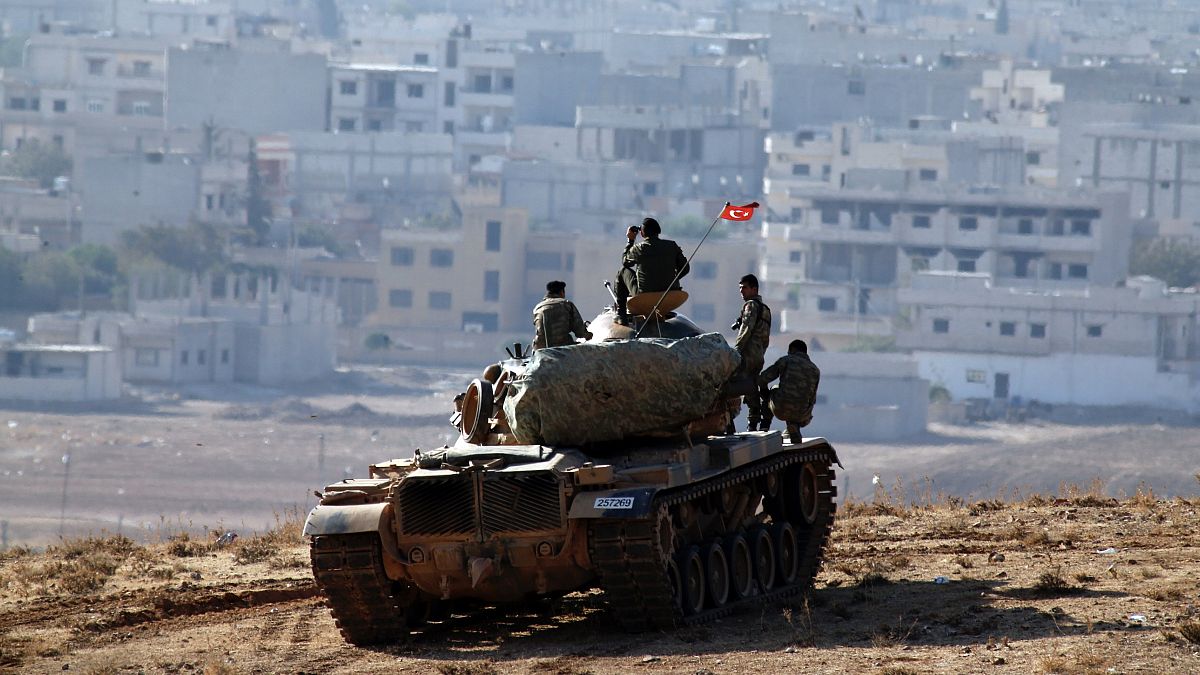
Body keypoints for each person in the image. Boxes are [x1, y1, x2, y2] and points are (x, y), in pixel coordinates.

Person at [614, 217, 689, 323]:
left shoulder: (639, 248)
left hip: (644, 296)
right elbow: (685, 268)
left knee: (622, 271)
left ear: (642, 233)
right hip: (670, 293)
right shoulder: (672, 246)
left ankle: (621, 315)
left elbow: (626, 262)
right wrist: (673, 279)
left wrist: (630, 240)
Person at [758, 339, 821, 440]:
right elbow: (812, 398)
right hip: (802, 415)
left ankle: (764, 426)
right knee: (800, 399)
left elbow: (763, 379)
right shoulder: (815, 370)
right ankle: (794, 427)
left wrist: (764, 393)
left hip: (780, 408)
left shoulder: (786, 360)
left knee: (774, 389)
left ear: (792, 350)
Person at [731, 273, 771, 431]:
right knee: (752, 385)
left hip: (748, 353)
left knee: (736, 383)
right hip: (759, 354)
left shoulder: (751, 305)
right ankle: (756, 420)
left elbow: (746, 329)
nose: (742, 291)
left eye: (745, 288)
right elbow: (765, 337)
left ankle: (747, 419)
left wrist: (736, 352)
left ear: (754, 289)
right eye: (740, 288)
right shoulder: (765, 310)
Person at [532, 280, 592, 350]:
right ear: (561, 292)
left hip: (540, 349)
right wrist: (588, 335)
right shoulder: (566, 304)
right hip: (562, 348)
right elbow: (579, 331)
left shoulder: (538, 307)